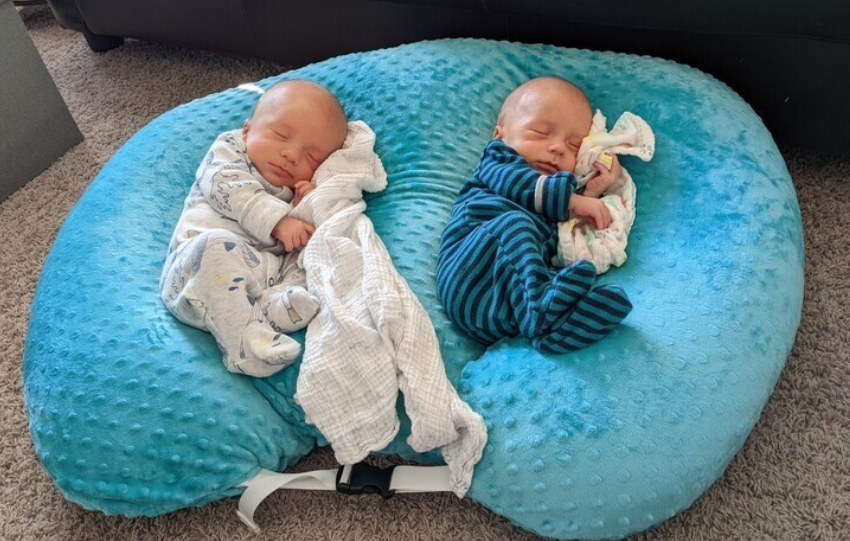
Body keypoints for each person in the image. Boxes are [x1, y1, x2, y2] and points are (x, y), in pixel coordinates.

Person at [160, 79, 347, 377]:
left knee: (309, 255)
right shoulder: (229, 152)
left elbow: (298, 239)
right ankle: (243, 346)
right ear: (247, 130)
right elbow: (227, 188)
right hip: (193, 277)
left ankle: (275, 308)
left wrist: (305, 208)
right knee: (216, 244)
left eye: (312, 156)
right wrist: (280, 221)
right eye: (281, 135)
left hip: (258, 280)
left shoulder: (293, 187)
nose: (292, 155)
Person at [437, 76, 632, 354]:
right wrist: (574, 201)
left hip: (509, 307)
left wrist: (592, 191)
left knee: (557, 262)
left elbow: (564, 231)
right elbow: (525, 187)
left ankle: (559, 325)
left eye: (573, 146)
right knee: (514, 225)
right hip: (469, 275)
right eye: (541, 132)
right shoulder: (498, 161)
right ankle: (544, 317)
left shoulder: (560, 195)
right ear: (499, 134)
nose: (557, 148)